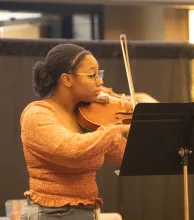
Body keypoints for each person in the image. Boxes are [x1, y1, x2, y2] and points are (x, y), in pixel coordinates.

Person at [20, 44, 130, 220]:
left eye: (99, 74)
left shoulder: (89, 116)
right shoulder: (37, 114)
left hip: (87, 212)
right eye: (92, 75)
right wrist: (118, 129)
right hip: (50, 214)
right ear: (67, 79)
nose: (100, 82)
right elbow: (72, 149)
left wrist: (142, 124)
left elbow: (123, 157)